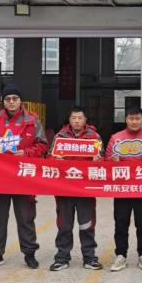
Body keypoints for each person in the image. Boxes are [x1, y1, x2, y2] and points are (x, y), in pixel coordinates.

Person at [0, 85, 49, 270]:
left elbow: (42, 145)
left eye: (15, 99)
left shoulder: (32, 120)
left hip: (23, 176)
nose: (11, 102)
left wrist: (25, 153)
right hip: (0, 177)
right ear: (3, 102)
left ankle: (29, 253)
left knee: (26, 217)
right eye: (8, 99)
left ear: (20, 101)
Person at [105, 106, 142, 272]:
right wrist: (112, 161)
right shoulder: (116, 138)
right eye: (131, 118)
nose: (134, 122)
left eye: (137, 118)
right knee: (121, 223)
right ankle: (121, 255)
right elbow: (106, 160)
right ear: (126, 119)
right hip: (121, 188)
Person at [49, 106, 103, 271]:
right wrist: (55, 159)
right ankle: (62, 258)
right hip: (64, 189)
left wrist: (98, 160)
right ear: (69, 120)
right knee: (64, 225)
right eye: (74, 118)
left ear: (85, 120)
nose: (77, 121)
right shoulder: (60, 137)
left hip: (85, 189)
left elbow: (104, 160)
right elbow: (48, 158)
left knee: (87, 224)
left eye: (80, 118)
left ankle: (89, 257)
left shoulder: (94, 137)